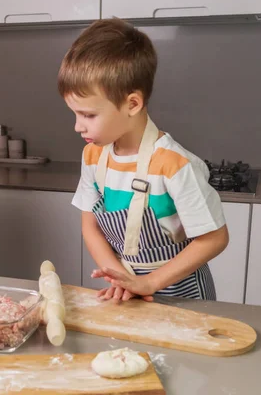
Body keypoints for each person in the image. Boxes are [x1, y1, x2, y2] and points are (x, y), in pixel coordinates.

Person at [58, 19, 229, 301]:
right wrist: (118, 276)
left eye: (88, 115)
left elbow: (215, 238)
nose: (78, 126)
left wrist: (149, 283)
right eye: (74, 113)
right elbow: (89, 225)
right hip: (126, 291)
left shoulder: (173, 165)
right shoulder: (93, 156)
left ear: (132, 104)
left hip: (182, 292)